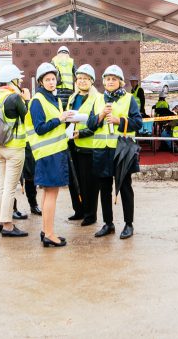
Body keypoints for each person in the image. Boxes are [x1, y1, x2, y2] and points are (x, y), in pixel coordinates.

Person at [28, 62, 77, 247]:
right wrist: (60, 119)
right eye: (47, 79)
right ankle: (49, 234)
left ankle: (45, 230)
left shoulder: (54, 99)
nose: (51, 82)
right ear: (41, 81)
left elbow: (55, 125)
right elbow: (40, 128)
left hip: (56, 152)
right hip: (48, 154)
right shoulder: (37, 101)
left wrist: (66, 120)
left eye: (53, 78)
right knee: (51, 194)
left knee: (49, 193)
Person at [92, 65, 142, 240]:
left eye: (114, 79)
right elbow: (91, 124)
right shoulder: (98, 100)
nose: (110, 82)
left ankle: (129, 224)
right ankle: (108, 223)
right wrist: (99, 116)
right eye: (108, 79)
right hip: (101, 150)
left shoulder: (129, 99)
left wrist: (118, 120)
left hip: (121, 151)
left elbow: (138, 123)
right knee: (104, 189)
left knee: (125, 187)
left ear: (120, 82)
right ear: (104, 81)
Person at [0, 64, 30, 238]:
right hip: (14, 148)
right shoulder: (14, 98)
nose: (20, 82)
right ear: (12, 81)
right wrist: (26, 99)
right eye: (18, 80)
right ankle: (8, 225)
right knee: (10, 187)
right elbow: (27, 117)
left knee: (1, 184)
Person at [68, 64, 104, 227]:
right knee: (74, 180)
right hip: (72, 143)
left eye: (85, 78)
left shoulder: (98, 98)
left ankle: (90, 214)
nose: (81, 81)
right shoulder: (72, 97)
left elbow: (98, 122)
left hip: (88, 146)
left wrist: (82, 133)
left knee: (89, 182)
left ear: (91, 81)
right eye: (79, 78)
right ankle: (79, 210)